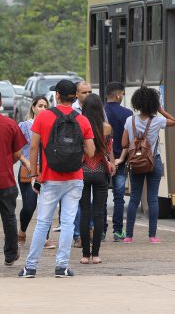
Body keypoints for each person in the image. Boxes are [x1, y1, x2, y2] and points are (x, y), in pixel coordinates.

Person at [19, 79, 95, 278]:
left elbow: (34, 147)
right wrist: (79, 158)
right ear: (75, 96)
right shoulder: (82, 120)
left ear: (57, 96)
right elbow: (91, 149)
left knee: (43, 222)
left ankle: (31, 267)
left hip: (50, 177)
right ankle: (61, 266)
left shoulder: (43, 117)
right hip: (75, 177)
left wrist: (34, 172)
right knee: (69, 223)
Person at [118, 86, 175, 244]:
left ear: (136, 102)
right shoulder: (157, 120)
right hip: (153, 161)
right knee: (152, 198)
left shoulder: (130, 120)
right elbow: (174, 121)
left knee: (134, 198)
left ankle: (129, 236)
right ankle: (152, 236)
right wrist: (161, 109)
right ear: (153, 104)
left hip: (136, 162)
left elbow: (124, 143)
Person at [79, 94, 116, 264]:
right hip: (101, 171)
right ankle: (96, 255)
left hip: (83, 171)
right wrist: (113, 163)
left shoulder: (79, 124)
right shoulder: (106, 127)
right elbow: (109, 150)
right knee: (99, 213)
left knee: (84, 213)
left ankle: (85, 255)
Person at [17, 96, 56, 250]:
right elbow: (17, 151)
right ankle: (22, 231)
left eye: (46, 106)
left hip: (47, 170)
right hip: (28, 171)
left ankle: (44, 238)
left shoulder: (52, 126)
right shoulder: (24, 126)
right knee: (29, 205)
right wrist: (26, 162)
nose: (43, 109)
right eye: (40, 106)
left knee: (46, 205)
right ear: (33, 108)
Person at [0, 90, 27, 267]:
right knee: (9, 217)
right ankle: (10, 254)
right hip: (5, 179)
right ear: (0, 102)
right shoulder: (9, 124)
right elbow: (18, 153)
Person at [104, 82, 132, 242]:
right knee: (119, 197)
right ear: (118, 95)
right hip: (120, 161)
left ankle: (101, 231)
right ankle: (118, 231)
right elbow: (128, 139)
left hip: (103, 161)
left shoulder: (101, 112)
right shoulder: (127, 113)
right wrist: (121, 158)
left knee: (101, 197)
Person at [70, 80, 93, 246]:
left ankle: (92, 230)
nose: (87, 95)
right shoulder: (71, 112)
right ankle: (78, 235)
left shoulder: (97, 109)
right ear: (76, 94)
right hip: (77, 161)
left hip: (93, 162)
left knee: (90, 200)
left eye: (90, 92)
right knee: (77, 200)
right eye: (84, 92)